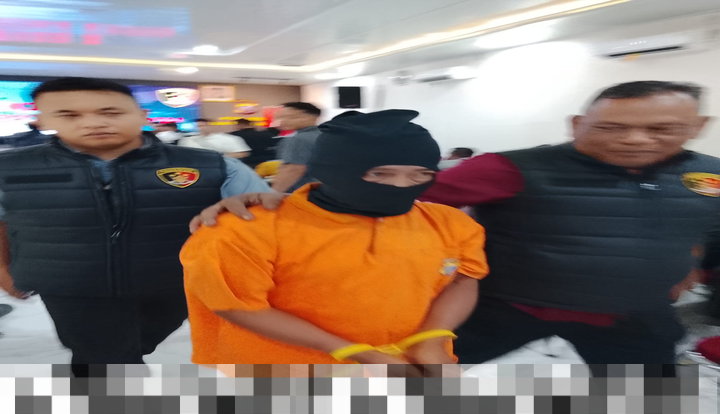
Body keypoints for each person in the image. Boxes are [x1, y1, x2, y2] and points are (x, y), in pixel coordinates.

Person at [188, 81, 717, 376]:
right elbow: (370, 197)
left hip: (633, 316)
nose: (637, 139)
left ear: (697, 128)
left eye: (662, 128)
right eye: (614, 126)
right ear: (578, 125)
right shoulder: (513, 168)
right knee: (415, 375)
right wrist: (281, 200)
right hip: (511, 308)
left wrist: (697, 266)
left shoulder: (708, 175)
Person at [180, 110, 488, 377]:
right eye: (379, 173)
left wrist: (431, 340)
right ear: (332, 169)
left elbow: (464, 277)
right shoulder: (243, 228)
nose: (400, 185)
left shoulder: (449, 223)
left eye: (420, 174)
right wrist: (361, 354)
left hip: (412, 365)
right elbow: (236, 305)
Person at [0, 77, 270, 377]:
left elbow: (266, 220)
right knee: (106, 358)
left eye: (110, 112)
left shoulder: (211, 165)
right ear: (41, 120)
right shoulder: (11, 166)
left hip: (175, 279)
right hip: (69, 282)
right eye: (68, 115)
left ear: (142, 116)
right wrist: (2, 267)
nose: (93, 123)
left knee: (131, 345)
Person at [272, 102, 322, 192]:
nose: (284, 121)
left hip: (302, 192)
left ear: (311, 117)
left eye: (291, 117)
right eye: (281, 117)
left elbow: (293, 169)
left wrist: (273, 193)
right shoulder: (324, 135)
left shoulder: (298, 139)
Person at [178, 118, 251, 159]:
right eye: (197, 126)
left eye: (202, 126)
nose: (199, 128)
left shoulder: (230, 139)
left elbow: (242, 153)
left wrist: (218, 158)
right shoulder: (187, 140)